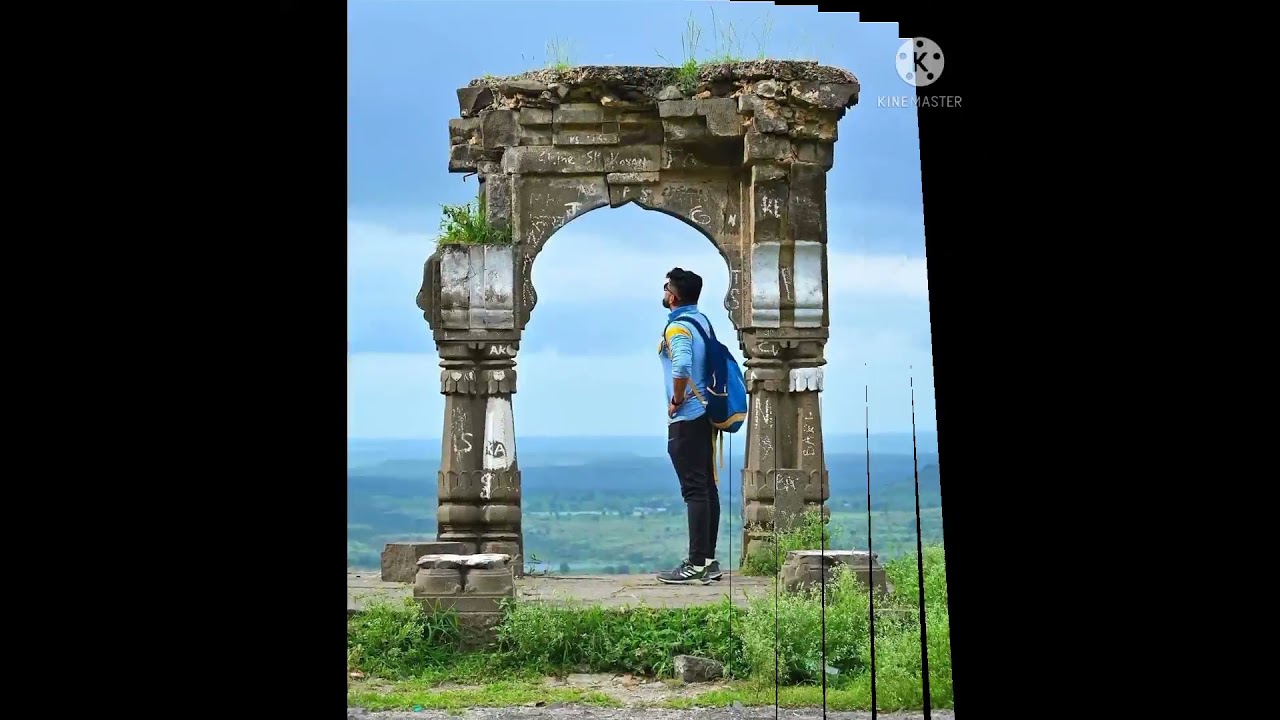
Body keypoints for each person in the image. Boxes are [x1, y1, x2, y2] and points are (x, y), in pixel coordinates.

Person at [655, 267, 724, 585]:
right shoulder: (702, 322)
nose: (664, 291)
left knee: (694, 489)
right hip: (707, 414)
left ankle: (696, 562)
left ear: (674, 295)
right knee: (707, 487)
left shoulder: (678, 328)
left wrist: (677, 399)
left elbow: (681, 364)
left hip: (689, 416)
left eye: (667, 287)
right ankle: (708, 561)